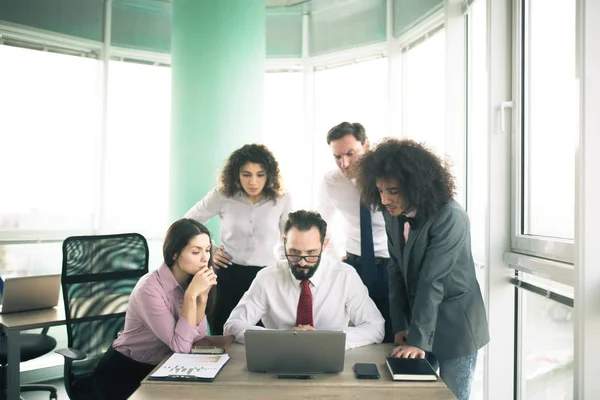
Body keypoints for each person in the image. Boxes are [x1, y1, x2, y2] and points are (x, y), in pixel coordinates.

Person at [355, 138, 489, 400]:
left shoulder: (451, 216)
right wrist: (401, 325)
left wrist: (417, 341)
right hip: (420, 321)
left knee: (451, 397)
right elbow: (395, 269)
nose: (385, 199)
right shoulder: (391, 212)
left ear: (416, 186)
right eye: (380, 190)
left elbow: (432, 280)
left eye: (392, 191)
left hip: (455, 329)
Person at [92, 218, 218, 400]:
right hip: (123, 373)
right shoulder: (149, 289)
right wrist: (191, 296)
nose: (205, 258)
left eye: (207, 250)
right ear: (174, 254)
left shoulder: (193, 283)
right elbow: (181, 347)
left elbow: (197, 337)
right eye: (196, 252)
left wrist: (202, 297)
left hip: (163, 368)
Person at [223, 210, 384, 350]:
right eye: (294, 252)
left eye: (311, 252)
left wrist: (326, 339)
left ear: (324, 245)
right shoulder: (267, 278)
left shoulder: (345, 276)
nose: (302, 262)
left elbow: (376, 327)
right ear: (284, 242)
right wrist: (286, 338)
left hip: (330, 356)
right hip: (280, 357)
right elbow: (232, 326)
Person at [184, 143, 292, 335]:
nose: (253, 182)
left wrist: (286, 268)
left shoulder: (282, 198)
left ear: (269, 175)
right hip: (227, 276)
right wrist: (212, 250)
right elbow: (188, 223)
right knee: (222, 336)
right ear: (236, 174)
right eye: (246, 174)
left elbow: (290, 238)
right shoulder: (222, 195)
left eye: (260, 174)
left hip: (264, 277)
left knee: (260, 340)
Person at [316, 122, 393, 343]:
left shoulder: (389, 177)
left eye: (351, 153)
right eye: (337, 156)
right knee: (356, 335)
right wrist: (333, 258)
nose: (345, 163)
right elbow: (321, 224)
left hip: (392, 265)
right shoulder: (331, 182)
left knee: (392, 333)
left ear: (366, 146)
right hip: (355, 265)